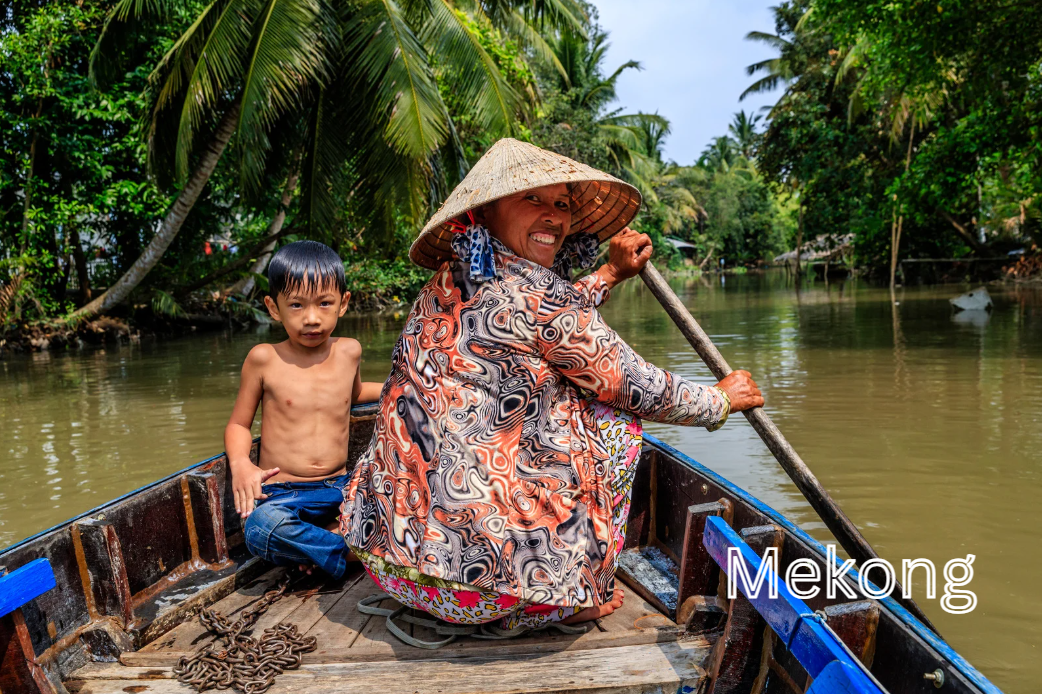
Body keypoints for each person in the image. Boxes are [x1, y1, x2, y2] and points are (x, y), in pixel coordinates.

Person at [340, 139, 763, 631]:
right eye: (532, 199)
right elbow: (633, 383)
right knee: (613, 418)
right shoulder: (542, 299)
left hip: (393, 565)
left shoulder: (453, 277)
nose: (554, 217)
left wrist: (608, 273)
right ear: (485, 213)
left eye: (562, 204)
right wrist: (719, 399)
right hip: (483, 590)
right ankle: (576, 592)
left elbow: (545, 317)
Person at [225, 240, 383, 579]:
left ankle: (318, 548)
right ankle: (348, 548)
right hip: (282, 494)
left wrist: (398, 388)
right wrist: (241, 464)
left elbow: (353, 394)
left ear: (343, 303)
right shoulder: (264, 358)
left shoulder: (349, 351)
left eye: (324, 303)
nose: (311, 318)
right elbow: (239, 424)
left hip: (339, 488)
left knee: (394, 495)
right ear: (273, 307)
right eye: (296, 305)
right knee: (260, 528)